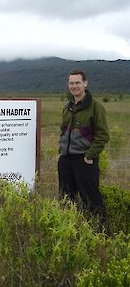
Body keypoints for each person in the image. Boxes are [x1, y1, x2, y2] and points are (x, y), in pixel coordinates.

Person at [58, 68, 110, 223]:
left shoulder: (95, 107)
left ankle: (101, 234)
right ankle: (70, 231)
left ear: (85, 83)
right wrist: (61, 151)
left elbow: (103, 135)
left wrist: (90, 156)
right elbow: (64, 131)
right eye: (71, 83)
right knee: (66, 199)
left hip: (85, 160)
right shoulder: (67, 107)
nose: (74, 86)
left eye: (78, 83)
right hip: (66, 160)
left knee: (91, 199)